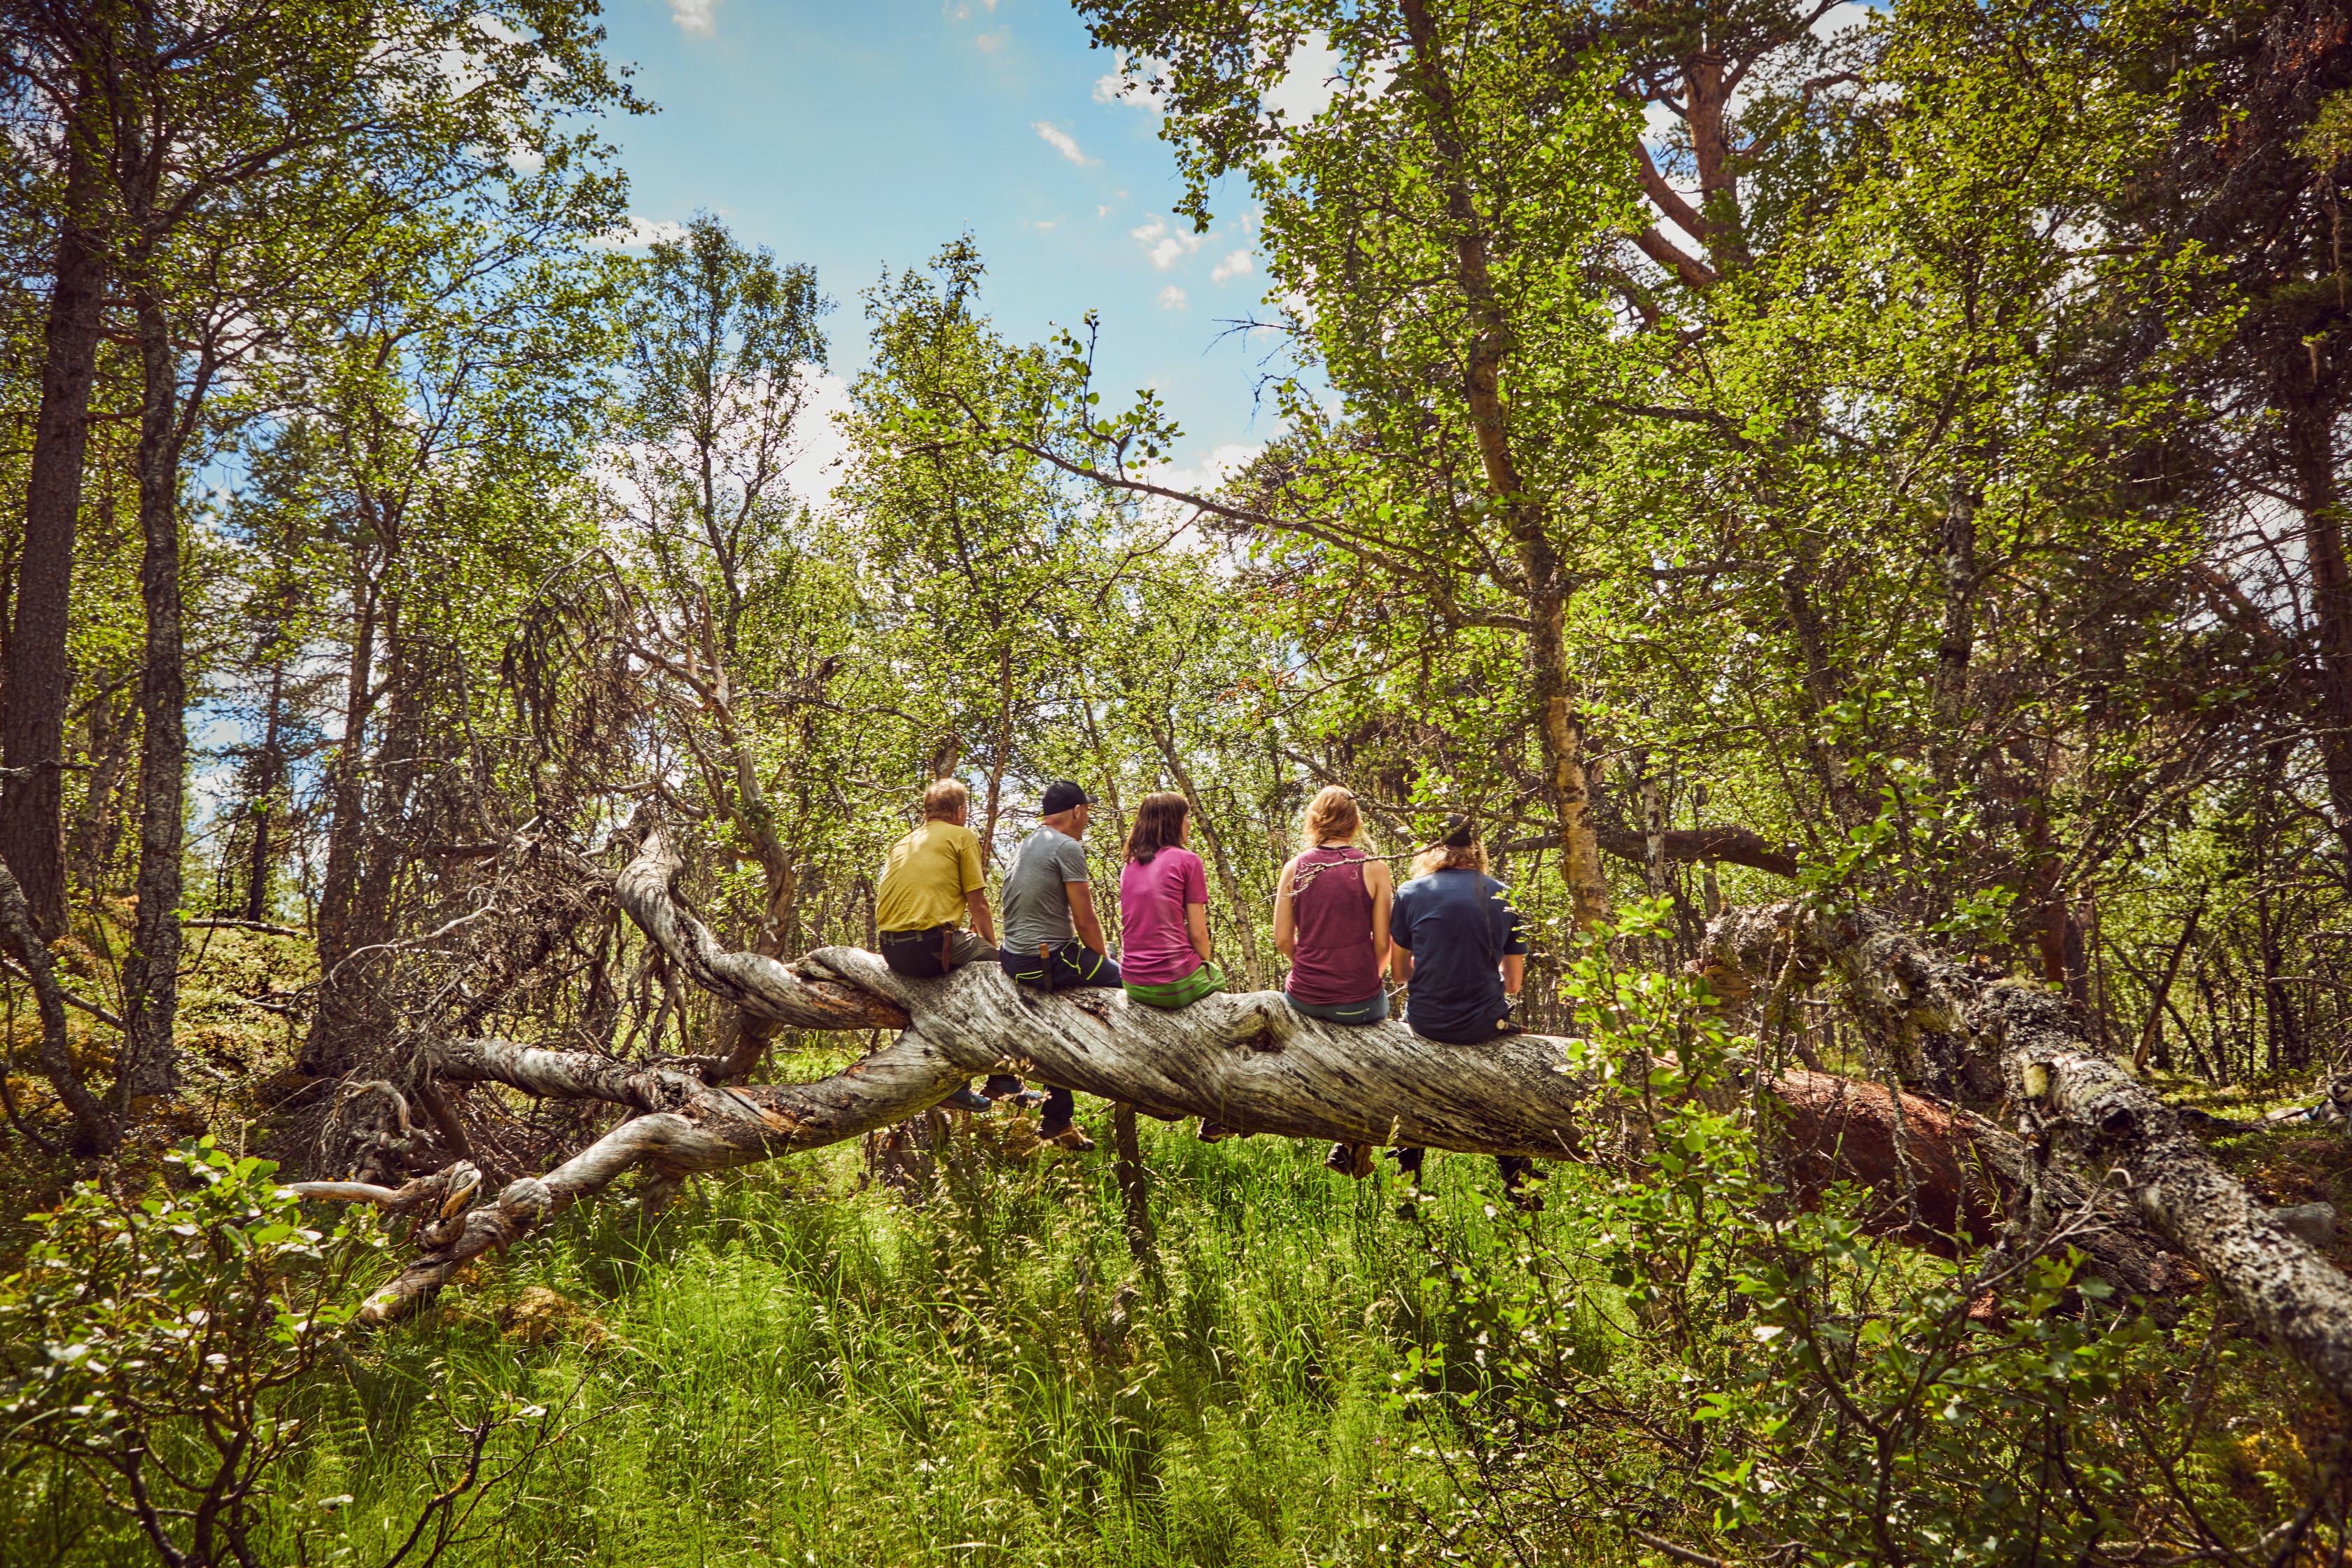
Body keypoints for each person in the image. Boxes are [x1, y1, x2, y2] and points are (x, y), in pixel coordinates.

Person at [1388, 816, 1541, 1208]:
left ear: (1432, 851)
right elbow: (1513, 984)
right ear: (1476, 852)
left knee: (1412, 1085)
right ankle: (1518, 1185)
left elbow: (1401, 972)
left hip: (1427, 1021)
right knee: (1502, 1092)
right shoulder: (1504, 894)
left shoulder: (1409, 892)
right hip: (1483, 1022)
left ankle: (1409, 1187)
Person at [1272, 785, 1394, 1174]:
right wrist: (1365, 980)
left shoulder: (1295, 867)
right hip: (1360, 995)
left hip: (1305, 995)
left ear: (1314, 820)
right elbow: (1384, 942)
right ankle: (1353, 1139)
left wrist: (1310, 965)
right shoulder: (1374, 867)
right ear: (1355, 822)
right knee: (1375, 1049)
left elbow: (1281, 940)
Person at [999, 779, 1121, 1150]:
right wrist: (1106, 963)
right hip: (1045, 960)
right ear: (1078, 812)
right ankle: (1148, 1082)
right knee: (1131, 980)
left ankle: (1057, 1119)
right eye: (1088, 812)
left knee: (1061, 1021)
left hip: (1014, 958)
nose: (1088, 819)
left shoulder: (1027, 844)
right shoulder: (1067, 847)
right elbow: (1086, 921)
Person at [874, 778, 1000, 1113]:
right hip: (928, 945)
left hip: (891, 950)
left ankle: (957, 1085)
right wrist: (993, 950)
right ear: (960, 811)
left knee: (953, 994)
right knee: (1002, 972)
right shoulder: (961, 835)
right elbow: (978, 903)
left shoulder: (904, 842)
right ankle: (1005, 1077)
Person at [1116, 791, 1231, 1140]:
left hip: (1132, 981)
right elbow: (1198, 932)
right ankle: (1219, 1114)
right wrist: (1207, 966)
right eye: (1186, 818)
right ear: (1173, 822)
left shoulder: (1130, 864)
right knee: (1222, 1009)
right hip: (1174, 979)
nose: (1189, 824)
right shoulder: (1187, 860)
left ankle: (1159, 1092)